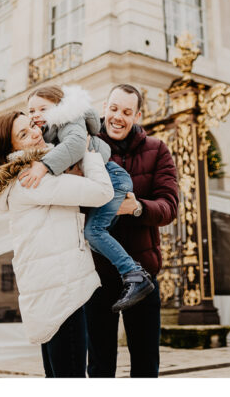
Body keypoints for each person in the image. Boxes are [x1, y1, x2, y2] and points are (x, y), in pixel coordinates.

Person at [0, 110, 113, 378]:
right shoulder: (33, 179)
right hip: (63, 295)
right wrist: (88, 153)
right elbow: (102, 192)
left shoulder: (24, 179)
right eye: (23, 134)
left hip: (51, 294)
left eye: (33, 126)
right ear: (9, 149)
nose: (36, 133)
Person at [18, 84, 155, 311]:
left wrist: (43, 167)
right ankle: (132, 270)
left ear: (60, 106)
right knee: (92, 235)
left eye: (42, 108)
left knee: (94, 231)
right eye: (31, 111)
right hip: (108, 178)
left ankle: (135, 275)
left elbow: (75, 145)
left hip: (113, 178)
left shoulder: (69, 120)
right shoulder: (50, 130)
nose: (36, 115)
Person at [86, 83, 179, 378]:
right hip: (97, 275)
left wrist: (137, 208)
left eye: (126, 112)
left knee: (145, 365)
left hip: (143, 275)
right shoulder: (86, 146)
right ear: (105, 107)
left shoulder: (158, 150)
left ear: (137, 115)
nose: (118, 117)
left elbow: (169, 207)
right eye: (113, 109)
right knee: (100, 367)